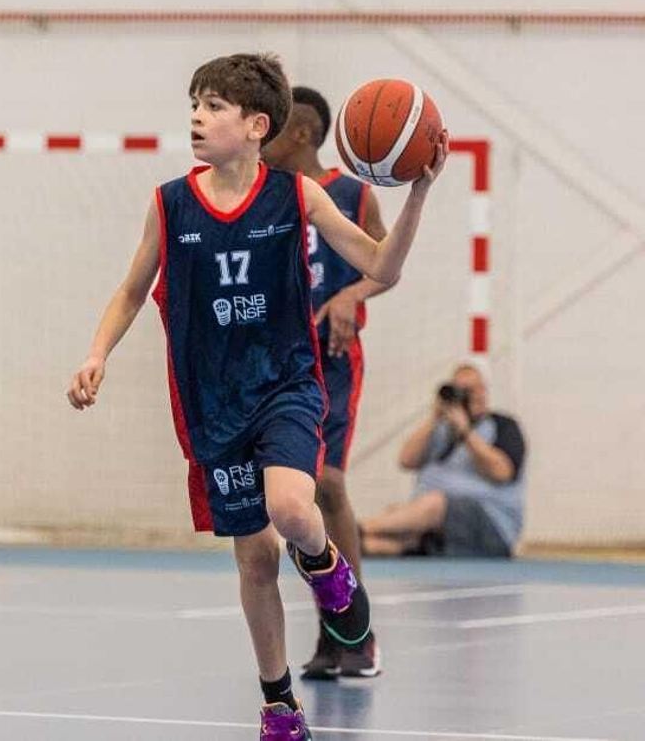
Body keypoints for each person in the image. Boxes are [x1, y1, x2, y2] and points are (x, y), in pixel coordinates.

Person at [67, 53, 448, 739]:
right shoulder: (170, 202)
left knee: (291, 505)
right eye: (195, 102)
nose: (197, 116)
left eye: (213, 105)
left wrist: (418, 193)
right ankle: (279, 703)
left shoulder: (295, 196)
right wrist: (97, 352)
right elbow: (130, 290)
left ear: (255, 125)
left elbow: (382, 264)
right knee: (254, 558)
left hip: (286, 384)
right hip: (214, 402)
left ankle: (330, 569)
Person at [261, 86, 391, 680]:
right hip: (280, 364)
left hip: (333, 362)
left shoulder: (350, 193)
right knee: (293, 504)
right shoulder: (263, 196)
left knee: (328, 483)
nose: (260, 140)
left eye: (274, 130)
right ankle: (334, 629)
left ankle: (357, 633)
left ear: (305, 134)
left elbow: (385, 264)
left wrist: (349, 293)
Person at [361, 361, 526, 559]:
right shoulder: (442, 429)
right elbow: (406, 460)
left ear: (483, 392)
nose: (465, 396)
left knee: (433, 504)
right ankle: (345, 547)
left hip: (490, 524)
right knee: (393, 524)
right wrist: (434, 417)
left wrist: (466, 432)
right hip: (437, 524)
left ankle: (357, 528)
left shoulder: (504, 426)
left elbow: (502, 472)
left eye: (470, 390)